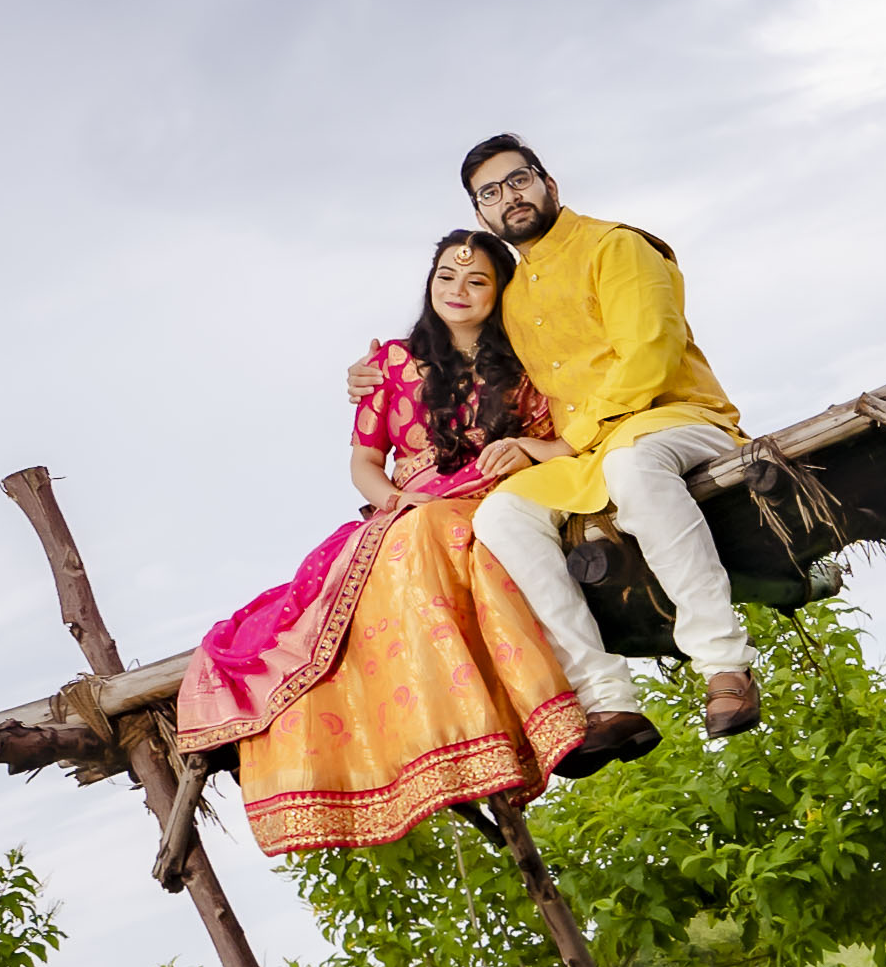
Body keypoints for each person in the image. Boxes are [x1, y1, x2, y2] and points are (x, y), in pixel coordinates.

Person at [173, 230, 659, 852]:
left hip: (499, 491)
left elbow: (565, 436)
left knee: (468, 537)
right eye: (446, 279)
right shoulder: (393, 363)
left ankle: (566, 719)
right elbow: (365, 463)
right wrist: (397, 501)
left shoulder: (531, 360)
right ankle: (483, 736)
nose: (458, 291)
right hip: (410, 505)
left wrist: (531, 452)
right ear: (429, 285)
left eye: (477, 280)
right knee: (413, 546)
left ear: (500, 291)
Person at [454, 132, 763, 741]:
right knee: (501, 515)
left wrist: (572, 441)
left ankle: (725, 664)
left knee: (632, 465)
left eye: (519, 180)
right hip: (593, 452)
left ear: (549, 183)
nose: (508, 198)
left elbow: (650, 354)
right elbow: (457, 341)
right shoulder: (512, 296)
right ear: (481, 215)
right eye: (489, 194)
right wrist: (377, 374)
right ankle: (606, 698)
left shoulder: (615, 246)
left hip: (678, 419)